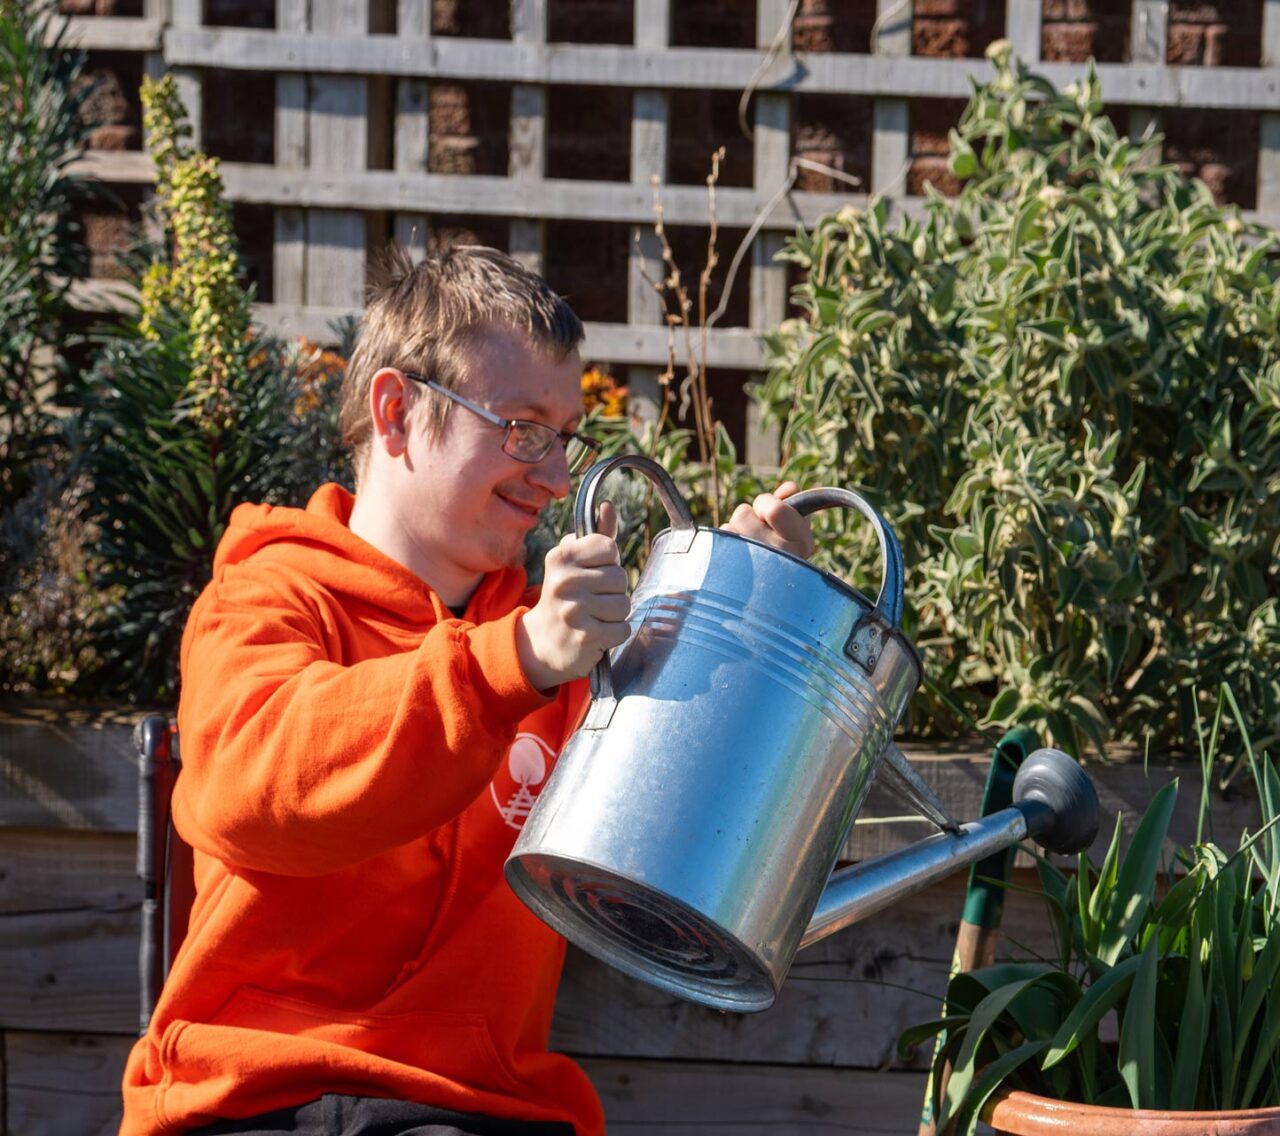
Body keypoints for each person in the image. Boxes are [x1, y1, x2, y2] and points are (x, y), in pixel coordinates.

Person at [120, 244, 814, 1136]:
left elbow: (695, 852)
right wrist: (510, 662)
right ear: (397, 411)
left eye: (566, 437)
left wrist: (745, 616)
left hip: (476, 1113)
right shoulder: (267, 597)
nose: (557, 476)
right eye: (521, 428)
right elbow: (257, 790)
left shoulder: (560, 648)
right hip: (249, 1100)